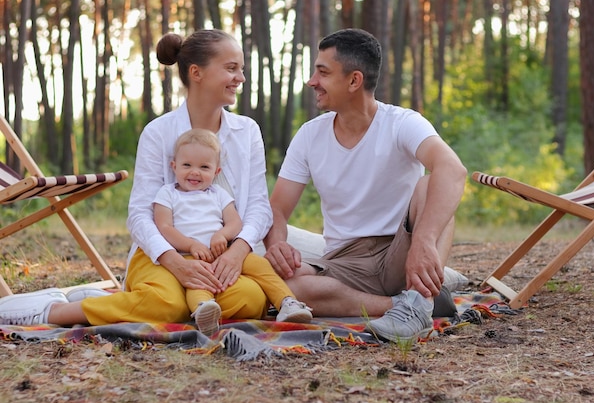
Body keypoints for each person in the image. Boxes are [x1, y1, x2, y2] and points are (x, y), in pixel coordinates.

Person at [0, 29, 278, 331]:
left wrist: (237, 253)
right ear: (196, 73)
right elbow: (140, 215)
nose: (241, 78)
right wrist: (176, 262)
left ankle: (121, 301)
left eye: (241, 69)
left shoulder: (247, 131)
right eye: (231, 68)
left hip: (219, 256)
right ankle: (53, 310)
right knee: (168, 304)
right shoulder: (158, 132)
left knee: (250, 300)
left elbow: (259, 207)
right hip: (161, 255)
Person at [263, 28, 467, 342]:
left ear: (354, 80)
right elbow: (277, 208)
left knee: (431, 185)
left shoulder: (402, 123)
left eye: (323, 72)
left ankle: (418, 298)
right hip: (345, 262)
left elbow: (453, 170)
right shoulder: (309, 135)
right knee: (285, 287)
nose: (312, 81)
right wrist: (277, 242)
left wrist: (424, 242)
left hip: (402, 249)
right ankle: (411, 305)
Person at [154, 128, 312, 335]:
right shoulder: (168, 193)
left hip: (223, 252)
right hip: (189, 255)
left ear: (216, 172)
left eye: (204, 167)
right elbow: (164, 227)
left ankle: (287, 302)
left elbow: (235, 222)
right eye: (187, 165)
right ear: (174, 166)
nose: (195, 172)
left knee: (259, 264)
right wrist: (191, 244)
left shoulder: (218, 194)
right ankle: (204, 310)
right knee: (197, 282)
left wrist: (222, 235)